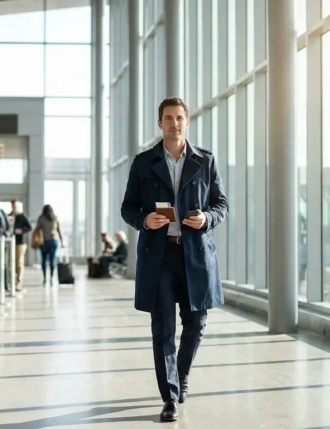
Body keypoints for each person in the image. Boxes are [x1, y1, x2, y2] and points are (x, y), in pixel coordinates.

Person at [120, 97, 229, 422]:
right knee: (163, 329)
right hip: (160, 255)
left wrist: (207, 218)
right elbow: (128, 207)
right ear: (160, 123)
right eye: (168, 118)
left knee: (196, 324)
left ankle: (180, 374)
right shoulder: (143, 162)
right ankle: (169, 397)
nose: (174, 123)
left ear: (187, 122)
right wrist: (144, 220)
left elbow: (222, 205)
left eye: (179, 118)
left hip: (195, 253)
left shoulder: (205, 161)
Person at [34, 205, 62, 286]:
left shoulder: (41, 218)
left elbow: (37, 229)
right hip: (53, 241)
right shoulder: (55, 218)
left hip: (44, 241)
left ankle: (45, 278)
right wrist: (62, 241)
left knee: (44, 260)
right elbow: (59, 230)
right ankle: (52, 278)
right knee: (52, 260)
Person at [9, 199, 32, 291]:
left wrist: (21, 231)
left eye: (16, 205)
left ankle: (19, 281)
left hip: (20, 242)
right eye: (13, 205)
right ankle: (11, 281)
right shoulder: (9, 216)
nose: (14, 207)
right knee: (10, 262)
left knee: (19, 262)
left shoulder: (22, 217)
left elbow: (29, 227)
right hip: (10, 242)